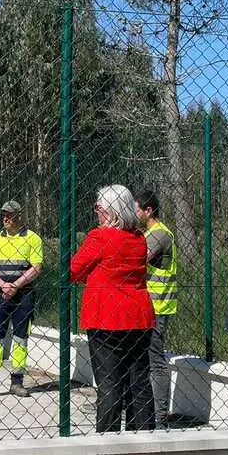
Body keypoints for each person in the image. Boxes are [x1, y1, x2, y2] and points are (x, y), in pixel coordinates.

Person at [70, 185, 156, 432]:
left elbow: (73, 270)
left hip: (106, 317)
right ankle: (144, 436)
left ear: (109, 211)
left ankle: (107, 440)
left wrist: (93, 276)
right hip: (138, 316)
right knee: (139, 381)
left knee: (109, 383)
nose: (96, 213)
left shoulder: (99, 237)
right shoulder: (139, 238)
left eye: (98, 208)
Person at [0, 200, 42, 398]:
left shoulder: (32, 238)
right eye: (3, 214)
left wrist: (16, 285)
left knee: (21, 337)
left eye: (10, 215)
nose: (5, 218)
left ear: (20, 215)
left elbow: (36, 267)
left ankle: (17, 382)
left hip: (24, 294)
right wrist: (3, 285)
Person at [135, 189, 177, 428]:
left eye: (136, 209)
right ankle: (148, 414)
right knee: (145, 361)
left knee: (156, 362)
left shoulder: (160, 234)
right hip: (146, 305)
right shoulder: (148, 232)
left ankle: (160, 419)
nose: (133, 213)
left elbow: (136, 260)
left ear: (148, 211)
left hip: (157, 306)